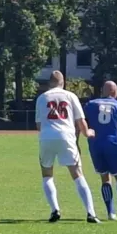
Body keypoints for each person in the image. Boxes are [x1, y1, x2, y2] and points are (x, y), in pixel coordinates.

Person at [35, 71, 100, 223]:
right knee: (77, 174)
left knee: (47, 174)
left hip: (46, 137)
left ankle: (55, 209)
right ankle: (91, 213)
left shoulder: (42, 98)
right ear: (63, 82)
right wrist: (87, 132)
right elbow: (81, 121)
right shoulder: (70, 96)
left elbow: (38, 125)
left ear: (50, 82)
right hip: (66, 137)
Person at [83, 81, 117, 221]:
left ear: (102, 91)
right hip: (112, 142)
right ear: (115, 92)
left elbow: (81, 123)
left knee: (105, 178)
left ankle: (111, 213)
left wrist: (76, 141)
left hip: (95, 144)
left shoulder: (90, 105)